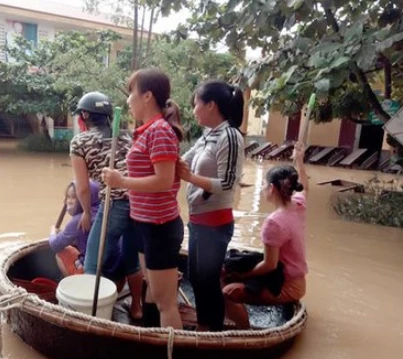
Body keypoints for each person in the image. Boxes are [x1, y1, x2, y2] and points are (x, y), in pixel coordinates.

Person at [103, 68, 184, 329]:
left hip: (159, 226)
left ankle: (173, 348)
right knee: (153, 292)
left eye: (131, 93)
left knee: (166, 303)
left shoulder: (159, 131)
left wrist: (121, 181)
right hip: (143, 223)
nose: (128, 100)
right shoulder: (146, 131)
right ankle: (152, 341)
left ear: (147, 96)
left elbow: (164, 180)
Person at [176, 80, 245, 331]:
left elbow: (228, 183)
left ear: (211, 105)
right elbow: (185, 159)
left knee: (206, 279)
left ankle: (211, 331)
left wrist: (190, 178)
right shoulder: (208, 135)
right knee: (197, 277)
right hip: (198, 221)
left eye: (196, 104)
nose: (193, 110)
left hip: (215, 224)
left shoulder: (230, 136)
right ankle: (207, 325)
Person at [70, 91, 143, 320]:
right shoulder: (127, 136)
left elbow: (82, 188)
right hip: (140, 202)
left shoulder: (79, 141)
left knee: (92, 261)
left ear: (84, 115)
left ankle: (91, 316)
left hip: (115, 203)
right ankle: (137, 308)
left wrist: (86, 213)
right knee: (131, 257)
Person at [222, 142, 309, 329]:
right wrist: (299, 160)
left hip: (287, 284)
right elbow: (305, 187)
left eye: (262, 185)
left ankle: (243, 331)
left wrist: (243, 276)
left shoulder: (274, 222)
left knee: (227, 291)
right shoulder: (298, 205)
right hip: (296, 279)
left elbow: (269, 265)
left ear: (271, 188)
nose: (261, 189)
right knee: (230, 264)